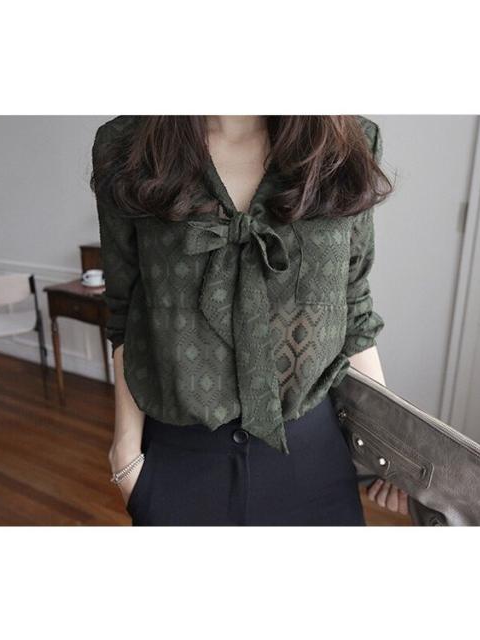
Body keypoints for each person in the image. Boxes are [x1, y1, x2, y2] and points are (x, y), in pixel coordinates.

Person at [90, 115, 407, 525]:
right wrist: (125, 455)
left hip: (314, 463)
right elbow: (124, 309)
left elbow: (354, 310)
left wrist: (392, 447)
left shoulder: (347, 144)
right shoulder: (126, 146)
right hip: (179, 463)